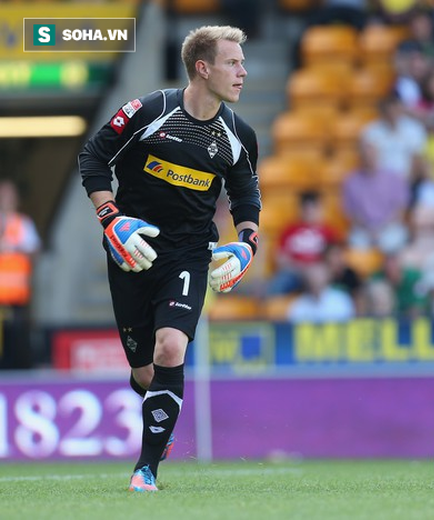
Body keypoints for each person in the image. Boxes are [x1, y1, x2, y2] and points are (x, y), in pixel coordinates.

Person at [78, 26, 261, 492]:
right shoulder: (149, 112)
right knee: (144, 370)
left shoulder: (239, 134)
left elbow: (246, 193)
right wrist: (111, 217)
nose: (242, 72)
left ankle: (146, 470)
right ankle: (161, 412)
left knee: (170, 349)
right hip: (131, 249)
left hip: (189, 252)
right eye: (233, 63)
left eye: (242, 62)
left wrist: (246, 242)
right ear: (203, 68)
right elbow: (94, 157)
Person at [267, 190, 341, 295]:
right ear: (301, 209)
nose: (309, 212)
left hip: (319, 272)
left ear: (320, 208)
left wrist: (316, 268)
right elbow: (280, 258)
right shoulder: (289, 230)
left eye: (313, 208)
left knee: (318, 276)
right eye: (306, 208)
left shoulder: (328, 231)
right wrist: (302, 269)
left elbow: (335, 259)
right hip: (294, 273)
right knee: (279, 283)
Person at [0, 180, 41, 369]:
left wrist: (15, 248)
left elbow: (34, 251)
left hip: (17, 295)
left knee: (18, 339)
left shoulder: (23, 224)